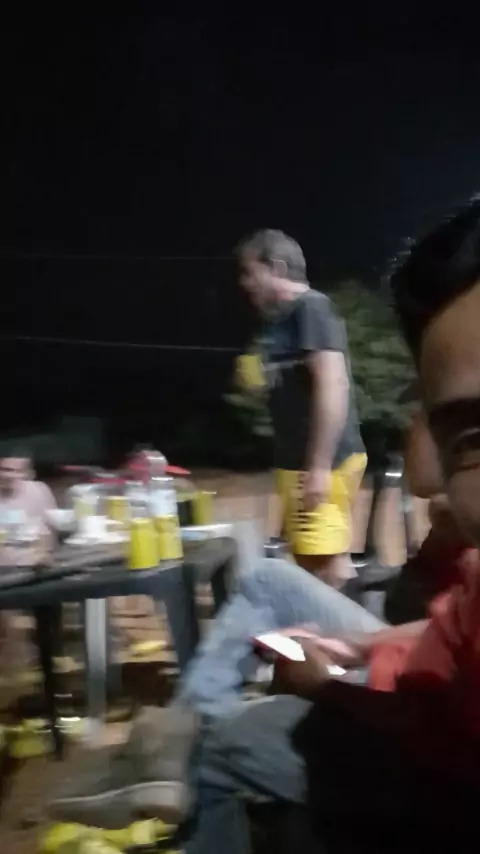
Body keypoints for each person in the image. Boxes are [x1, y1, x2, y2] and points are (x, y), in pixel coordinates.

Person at [237, 229, 366, 587]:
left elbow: (333, 383)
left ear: (276, 267)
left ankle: (349, 623)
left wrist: (320, 466)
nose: (245, 283)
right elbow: (293, 388)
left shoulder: (311, 307)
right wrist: (259, 382)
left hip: (323, 462)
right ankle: (344, 620)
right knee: (315, 561)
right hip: (298, 463)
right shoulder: (280, 322)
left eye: (249, 272)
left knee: (326, 567)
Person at [0, 446, 56, 566]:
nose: (11, 476)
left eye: (19, 471)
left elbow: (48, 532)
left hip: (35, 563)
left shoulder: (39, 491)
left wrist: (43, 555)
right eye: (6, 470)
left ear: (27, 474)